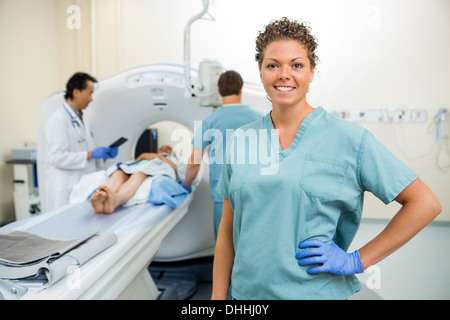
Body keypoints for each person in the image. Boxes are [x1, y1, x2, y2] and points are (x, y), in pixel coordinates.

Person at [212, 17, 442, 300]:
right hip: (246, 297)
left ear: (311, 72)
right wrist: (217, 300)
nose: (284, 74)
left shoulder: (348, 139)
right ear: (260, 72)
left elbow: (425, 203)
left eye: (296, 65)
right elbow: (226, 231)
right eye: (273, 65)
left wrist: (357, 260)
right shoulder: (241, 140)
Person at [183, 70, 263, 239]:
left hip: (223, 192)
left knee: (224, 245)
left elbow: (193, 162)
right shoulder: (260, 118)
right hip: (253, 192)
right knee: (251, 244)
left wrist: (186, 185)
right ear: (241, 89)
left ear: (219, 92)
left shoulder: (211, 121)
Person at [43, 72, 118, 212]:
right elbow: (56, 157)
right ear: (76, 92)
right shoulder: (58, 120)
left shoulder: (82, 119)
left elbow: (84, 151)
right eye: (89, 94)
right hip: (64, 187)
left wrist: (101, 156)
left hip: (81, 183)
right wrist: (90, 154)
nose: (91, 99)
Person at [90, 145, 186, 214]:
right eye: (161, 148)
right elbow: (136, 162)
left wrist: (161, 158)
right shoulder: (149, 155)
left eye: (168, 149)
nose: (163, 150)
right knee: (120, 171)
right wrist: (143, 156)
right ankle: (103, 197)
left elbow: (183, 175)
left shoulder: (175, 161)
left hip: (152, 168)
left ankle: (116, 200)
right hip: (139, 165)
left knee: (140, 172)